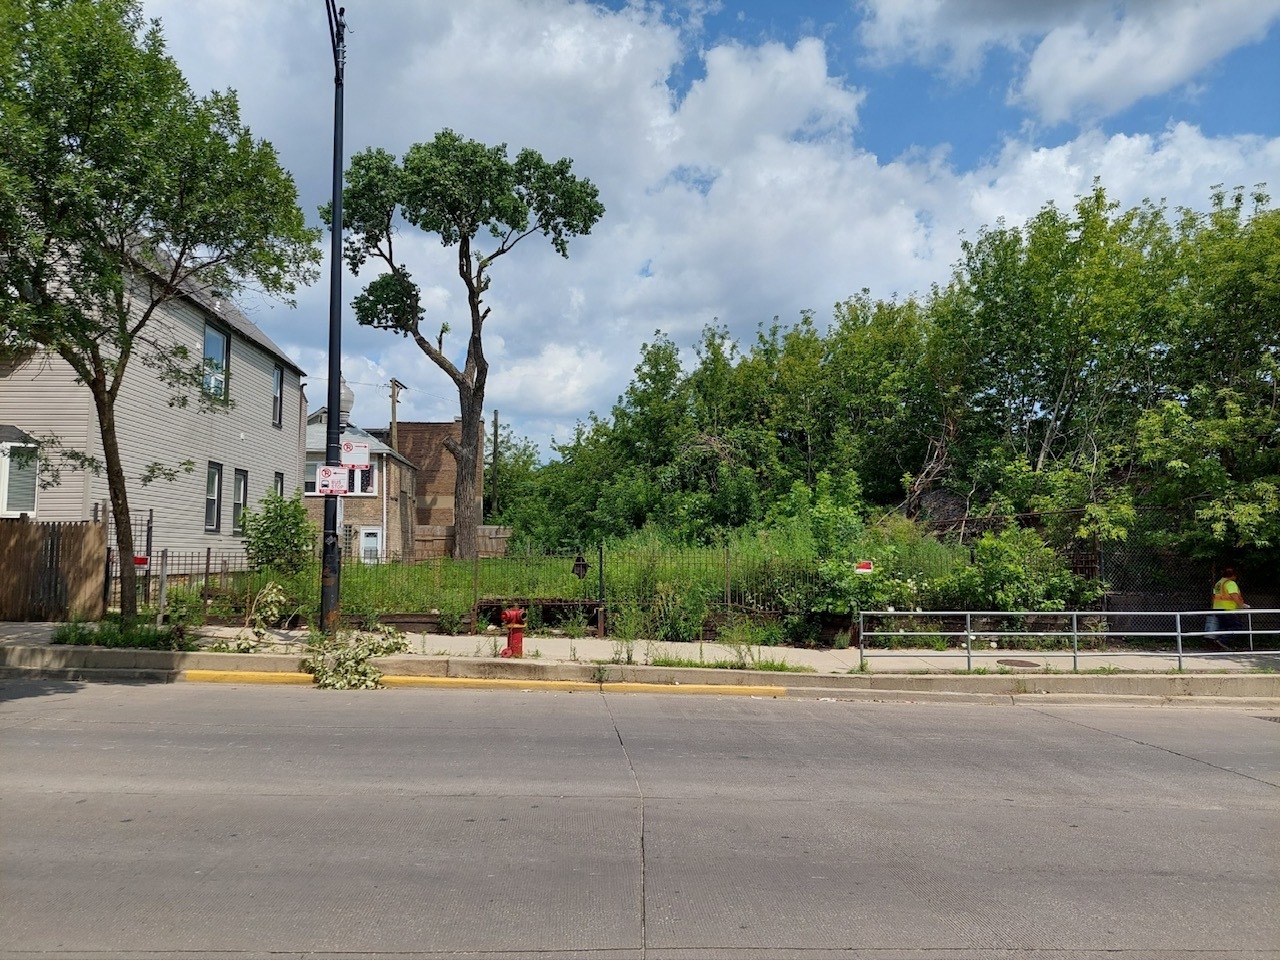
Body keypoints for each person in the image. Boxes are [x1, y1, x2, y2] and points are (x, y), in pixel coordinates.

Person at [1207, 567, 1248, 650]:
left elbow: (1214, 596)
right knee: (1237, 627)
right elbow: (1234, 596)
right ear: (1233, 575)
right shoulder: (1230, 583)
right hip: (1228, 609)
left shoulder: (1219, 583)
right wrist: (1242, 605)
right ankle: (1222, 641)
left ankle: (1216, 643)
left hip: (1218, 608)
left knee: (1224, 627)